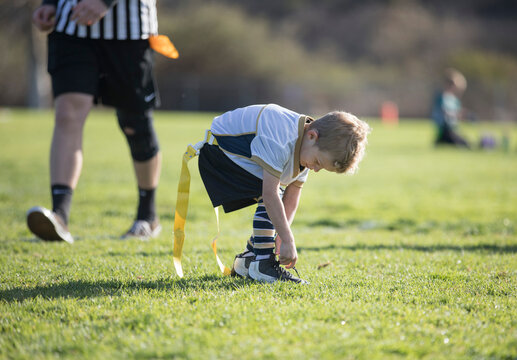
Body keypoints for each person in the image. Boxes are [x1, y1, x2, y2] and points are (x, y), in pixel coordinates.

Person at [28, 0, 163, 243]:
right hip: (71, 26)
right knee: (67, 113)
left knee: (135, 123)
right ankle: (59, 216)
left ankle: (147, 216)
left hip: (130, 28)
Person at [193, 104, 370, 283]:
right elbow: (270, 195)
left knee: (278, 194)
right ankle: (263, 265)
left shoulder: (307, 146)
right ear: (312, 136)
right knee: (272, 192)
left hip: (237, 155)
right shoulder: (282, 137)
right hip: (220, 153)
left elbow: (292, 197)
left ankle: (248, 258)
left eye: (321, 167)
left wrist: (281, 234)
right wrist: (288, 239)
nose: (316, 169)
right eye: (318, 162)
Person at [431, 68, 471, 148]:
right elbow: (444, 113)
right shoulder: (442, 98)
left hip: (453, 129)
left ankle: (441, 141)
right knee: (464, 144)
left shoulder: (454, 100)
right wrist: (456, 114)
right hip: (446, 130)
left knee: (466, 143)